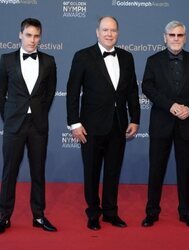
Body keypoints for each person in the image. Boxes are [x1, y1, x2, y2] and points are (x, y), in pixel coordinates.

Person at [66, 16, 140, 231]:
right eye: (105, 30)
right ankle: (93, 213)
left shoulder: (127, 57)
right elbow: (72, 92)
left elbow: (132, 91)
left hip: (118, 125)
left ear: (118, 33)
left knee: (113, 171)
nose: (109, 34)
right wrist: (74, 123)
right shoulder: (83, 56)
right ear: (97, 32)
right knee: (91, 172)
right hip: (90, 126)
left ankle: (110, 212)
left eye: (113, 30)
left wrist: (135, 118)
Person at [141, 20, 189, 228]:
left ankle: (186, 212)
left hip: (186, 124)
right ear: (165, 37)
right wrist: (170, 105)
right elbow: (147, 87)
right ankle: (152, 211)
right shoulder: (153, 60)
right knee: (156, 170)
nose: (176, 39)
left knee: (185, 170)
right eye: (172, 35)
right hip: (161, 122)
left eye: (180, 35)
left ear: (185, 38)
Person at [0, 18, 57, 233]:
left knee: (38, 172)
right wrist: (9, 118)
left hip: (38, 126)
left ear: (40, 37)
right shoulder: (6, 60)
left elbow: (49, 93)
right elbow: (0, 94)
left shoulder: (49, 61)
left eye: (36, 36)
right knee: (9, 173)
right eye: (28, 35)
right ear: (20, 35)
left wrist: (39, 113)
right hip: (14, 125)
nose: (32, 40)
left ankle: (39, 216)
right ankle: (4, 217)